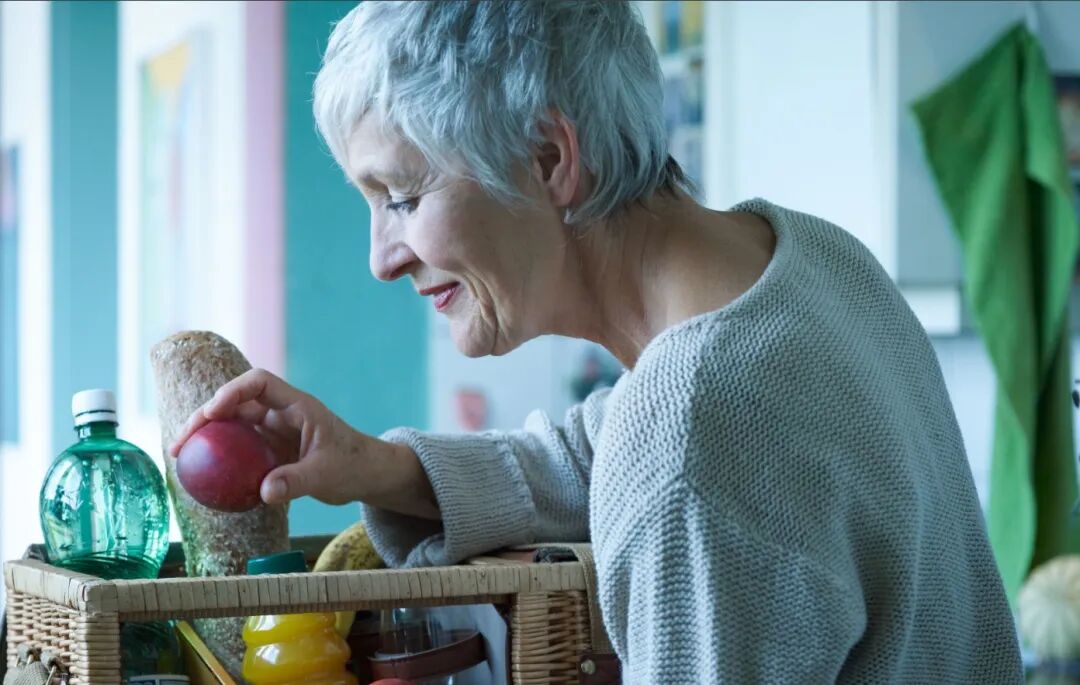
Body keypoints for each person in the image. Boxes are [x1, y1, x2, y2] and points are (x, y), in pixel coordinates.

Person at [170, 2, 1022, 681]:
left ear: (547, 158)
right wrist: (378, 465)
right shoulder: (810, 260)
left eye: (399, 195)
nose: (381, 259)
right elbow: (617, 450)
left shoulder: (691, 427)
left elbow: (675, 457)